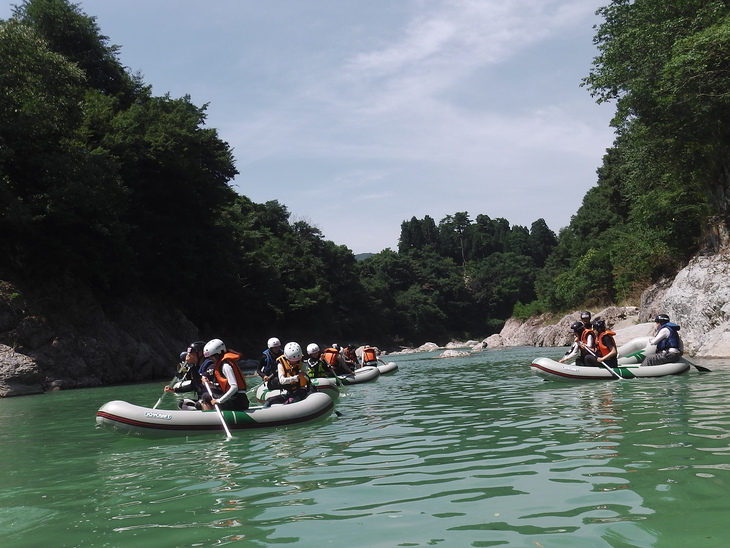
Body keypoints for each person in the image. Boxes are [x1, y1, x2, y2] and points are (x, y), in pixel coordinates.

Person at [200, 338, 250, 411]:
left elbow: (234, 387)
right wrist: (211, 384)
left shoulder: (225, 366)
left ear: (220, 353)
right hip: (236, 399)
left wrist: (219, 401)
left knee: (205, 396)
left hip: (238, 401)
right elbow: (226, 386)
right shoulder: (223, 364)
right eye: (210, 357)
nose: (211, 359)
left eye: (213, 356)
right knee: (208, 394)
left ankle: (210, 417)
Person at [164, 340, 207, 409]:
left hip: (212, 402)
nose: (189, 355)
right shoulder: (197, 367)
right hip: (203, 401)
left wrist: (191, 365)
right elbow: (194, 385)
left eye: (191, 353)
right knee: (183, 403)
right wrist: (174, 390)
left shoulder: (209, 366)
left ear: (200, 353)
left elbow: (199, 382)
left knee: (197, 404)